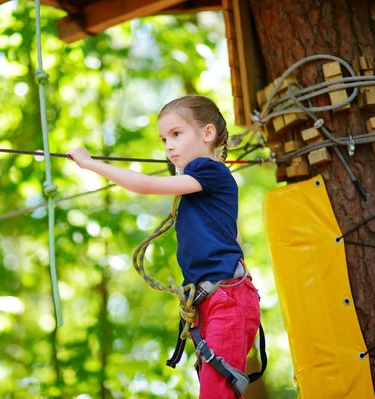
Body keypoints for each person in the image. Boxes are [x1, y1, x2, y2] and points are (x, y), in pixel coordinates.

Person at [68, 95, 261, 399]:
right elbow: (232, 237)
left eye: (176, 134)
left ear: (207, 134)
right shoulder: (203, 185)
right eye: (163, 139)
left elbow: (146, 185)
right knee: (212, 388)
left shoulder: (209, 171)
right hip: (212, 299)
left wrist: (91, 164)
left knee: (216, 393)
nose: (168, 145)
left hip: (227, 298)